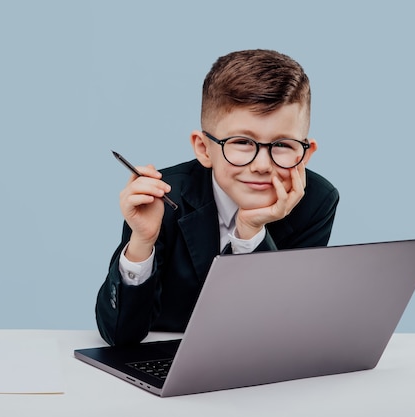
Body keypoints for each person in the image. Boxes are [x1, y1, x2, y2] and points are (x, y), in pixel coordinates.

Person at [96, 49, 339, 346]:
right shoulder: (163, 199)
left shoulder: (316, 201)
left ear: (307, 152)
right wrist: (142, 243)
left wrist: (250, 233)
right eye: (241, 142)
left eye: (283, 145)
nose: (262, 165)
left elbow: (282, 331)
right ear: (203, 148)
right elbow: (120, 336)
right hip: (165, 357)